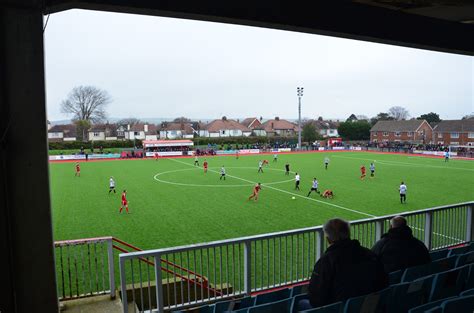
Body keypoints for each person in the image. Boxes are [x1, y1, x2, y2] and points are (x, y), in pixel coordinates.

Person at [298, 218, 388, 310]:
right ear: (348, 234)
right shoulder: (370, 254)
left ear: (328, 240)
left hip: (339, 308)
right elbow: (384, 283)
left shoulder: (327, 261)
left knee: (300, 303)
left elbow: (316, 298)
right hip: (367, 308)